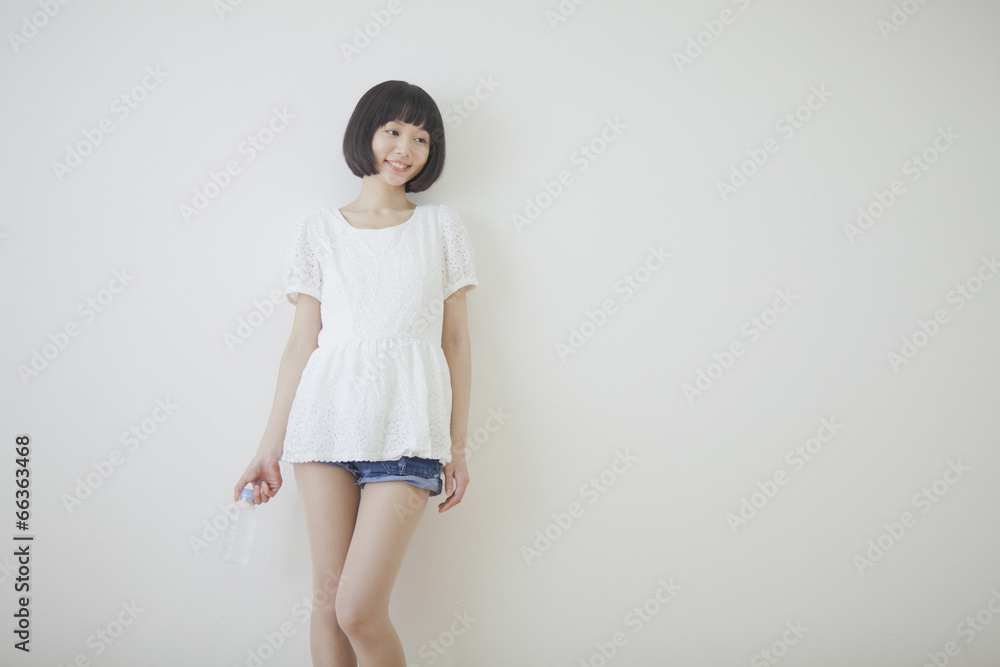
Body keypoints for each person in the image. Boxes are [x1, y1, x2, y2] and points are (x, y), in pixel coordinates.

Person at [233, 80, 479, 666]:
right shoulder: (317, 230)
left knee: (359, 611)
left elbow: (455, 340)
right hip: (324, 427)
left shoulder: (441, 227)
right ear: (365, 133)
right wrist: (269, 447)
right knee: (327, 608)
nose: (405, 148)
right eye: (393, 131)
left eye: (421, 138)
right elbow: (302, 343)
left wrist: (457, 446)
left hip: (408, 432)